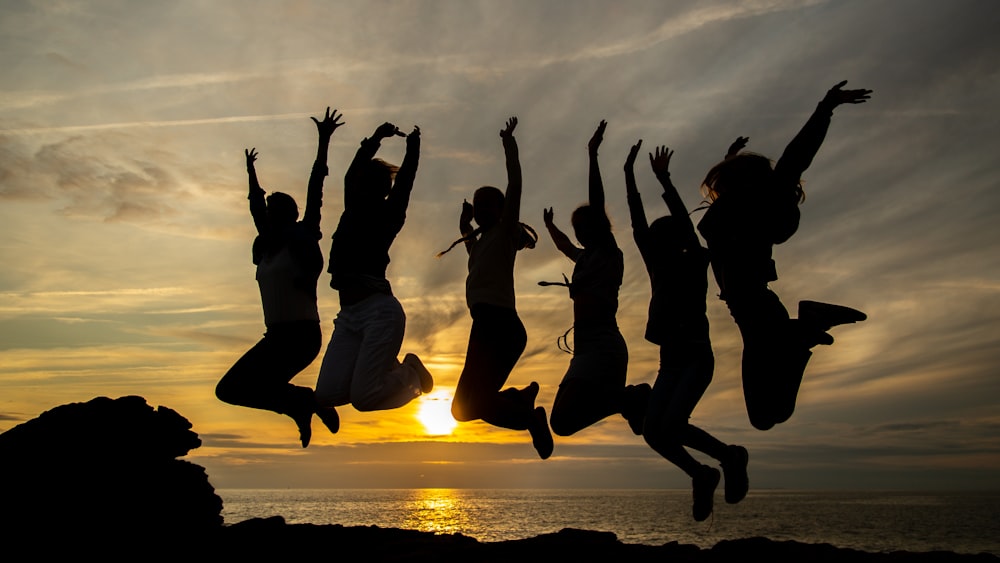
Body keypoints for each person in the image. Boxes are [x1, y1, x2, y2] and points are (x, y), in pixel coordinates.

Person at [698, 81, 872, 431]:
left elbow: (796, 159)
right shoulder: (733, 207)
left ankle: (807, 328)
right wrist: (731, 157)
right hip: (753, 311)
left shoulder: (751, 205)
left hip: (756, 310)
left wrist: (825, 108)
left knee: (766, 415)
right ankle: (805, 330)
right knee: (768, 414)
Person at [625, 140, 748, 522]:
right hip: (671, 361)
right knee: (652, 432)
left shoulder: (694, 259)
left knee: (672, 424)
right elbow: (637, 222)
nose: (655, 243)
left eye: (664, 238)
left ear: (677, 239)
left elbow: (680, 217)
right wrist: (629, 174)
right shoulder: (657, 267)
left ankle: (729, 456)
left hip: (696, 355)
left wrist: (664, 179)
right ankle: (702, 473)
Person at [216, 107, 343, 448]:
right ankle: (301, 405)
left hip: (300, 337)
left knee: (243, 387)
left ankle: (306, 402)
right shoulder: (267, 245)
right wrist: (250, 171)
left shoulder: (301, 237)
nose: (267, 212)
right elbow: (255, 206)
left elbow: (316, 188)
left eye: (275, 209)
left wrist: (324, 140)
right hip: (276, 337)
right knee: (228, 390)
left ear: (288, 215)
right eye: (267, 210)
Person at [444, 117, 553, 459]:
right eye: (477, 205)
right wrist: (464, 221)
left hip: (500, 327)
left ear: (502, 209)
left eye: (486, 204)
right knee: (462, 410)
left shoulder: (507, 233)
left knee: (473, 404)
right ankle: (521, 402)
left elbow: (516, 183)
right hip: (487, 327)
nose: (479, 210)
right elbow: (469, 243)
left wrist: (509, 144)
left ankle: (530, 419)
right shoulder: (479, 245)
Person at [313, 121, 433, 433]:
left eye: (373, 183)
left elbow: (405, 182)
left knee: (363, 398)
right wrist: (376, 138)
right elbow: (351, 174)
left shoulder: (390, 214)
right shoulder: (351, 207)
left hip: (379, 312)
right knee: (325, 395)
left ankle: (411, 373)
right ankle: (387, 365)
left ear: (382, 189)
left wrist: (413, 149)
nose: (361, 186)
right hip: (349, 315)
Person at [541, 120, 649, 439]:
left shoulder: (606, 252)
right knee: (561, 423)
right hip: (585, 348)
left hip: (604, 345)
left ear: (598, 227)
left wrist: (592, 154)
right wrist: (549, 226)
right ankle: (627, 400)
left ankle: (629, 399)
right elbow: (565, 247)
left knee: (562, 421)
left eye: (584, 227)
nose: (579, 234)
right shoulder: (585, 258)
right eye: (576, 229)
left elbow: (597, 200)